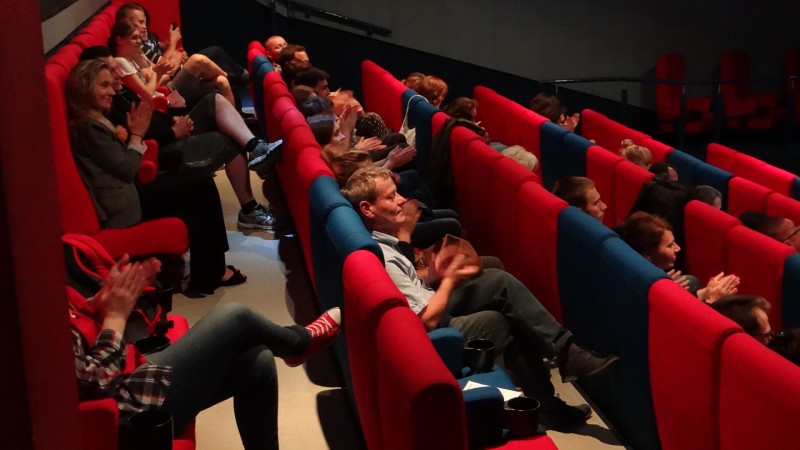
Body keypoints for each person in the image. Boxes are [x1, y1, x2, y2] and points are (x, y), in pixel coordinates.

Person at [342, 166, 621, 430]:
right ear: (367, 209)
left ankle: (563, 364)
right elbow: (427, 319)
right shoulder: (383, 255)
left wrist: (436, 273)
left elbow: (410, 286)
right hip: (433, 334)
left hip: (429, 305)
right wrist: (449, 279)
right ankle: (556, 385)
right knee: (507, 320)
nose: (402, 200)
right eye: (391, 196)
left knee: (499, 281)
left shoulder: (381, 242)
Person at [70, 254, 341, 450]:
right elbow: (97, 382)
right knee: (236, 317)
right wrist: (115, 316)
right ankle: (298, 342)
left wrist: (100, 304)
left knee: (256, 360)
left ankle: (296, 345)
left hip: (124, 376)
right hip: (120, 413)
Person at [66, 59, 252, 294]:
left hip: (132, 192)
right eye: (104, 85)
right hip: (124, 209)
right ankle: (212, 273)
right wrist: (136, 135)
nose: (112, 91)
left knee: (199, 182)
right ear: (85, 88)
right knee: (199, 184)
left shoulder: (95, 121)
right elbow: (127, 168)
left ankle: (212, 270)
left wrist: (126, 137)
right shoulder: (88, 127)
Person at [80, 46, 280, 231]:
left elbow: (149, 112)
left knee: (214, 99)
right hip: (163, 149)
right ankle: (249, 209)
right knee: (229, 143)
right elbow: (140, 134)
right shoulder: (107, 108)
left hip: (171, 130)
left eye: (115, 68)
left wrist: (171, 119)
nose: (117, 74)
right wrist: (173, 132)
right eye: (109, 71)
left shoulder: (121, 91)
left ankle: (255, 146)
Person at [108, 20, 235, 108]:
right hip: (163, 99)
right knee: (198, 60)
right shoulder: (120, 61)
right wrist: (160, 71)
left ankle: (237, 123)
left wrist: (168, 67)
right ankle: (235, 77)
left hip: (164, 89)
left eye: (138, 37)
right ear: (119, 40)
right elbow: (147, 93)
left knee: (221, 81)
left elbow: (159, 71)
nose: (139, 41)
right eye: (133, 38)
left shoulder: (132, 57)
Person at [621, 212, 739, 303]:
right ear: (648, 254)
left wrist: (707, 291)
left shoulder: (631, 266)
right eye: (669, 246)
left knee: (691, 281)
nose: (678, 248)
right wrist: (711, 300)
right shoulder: (642, 293)